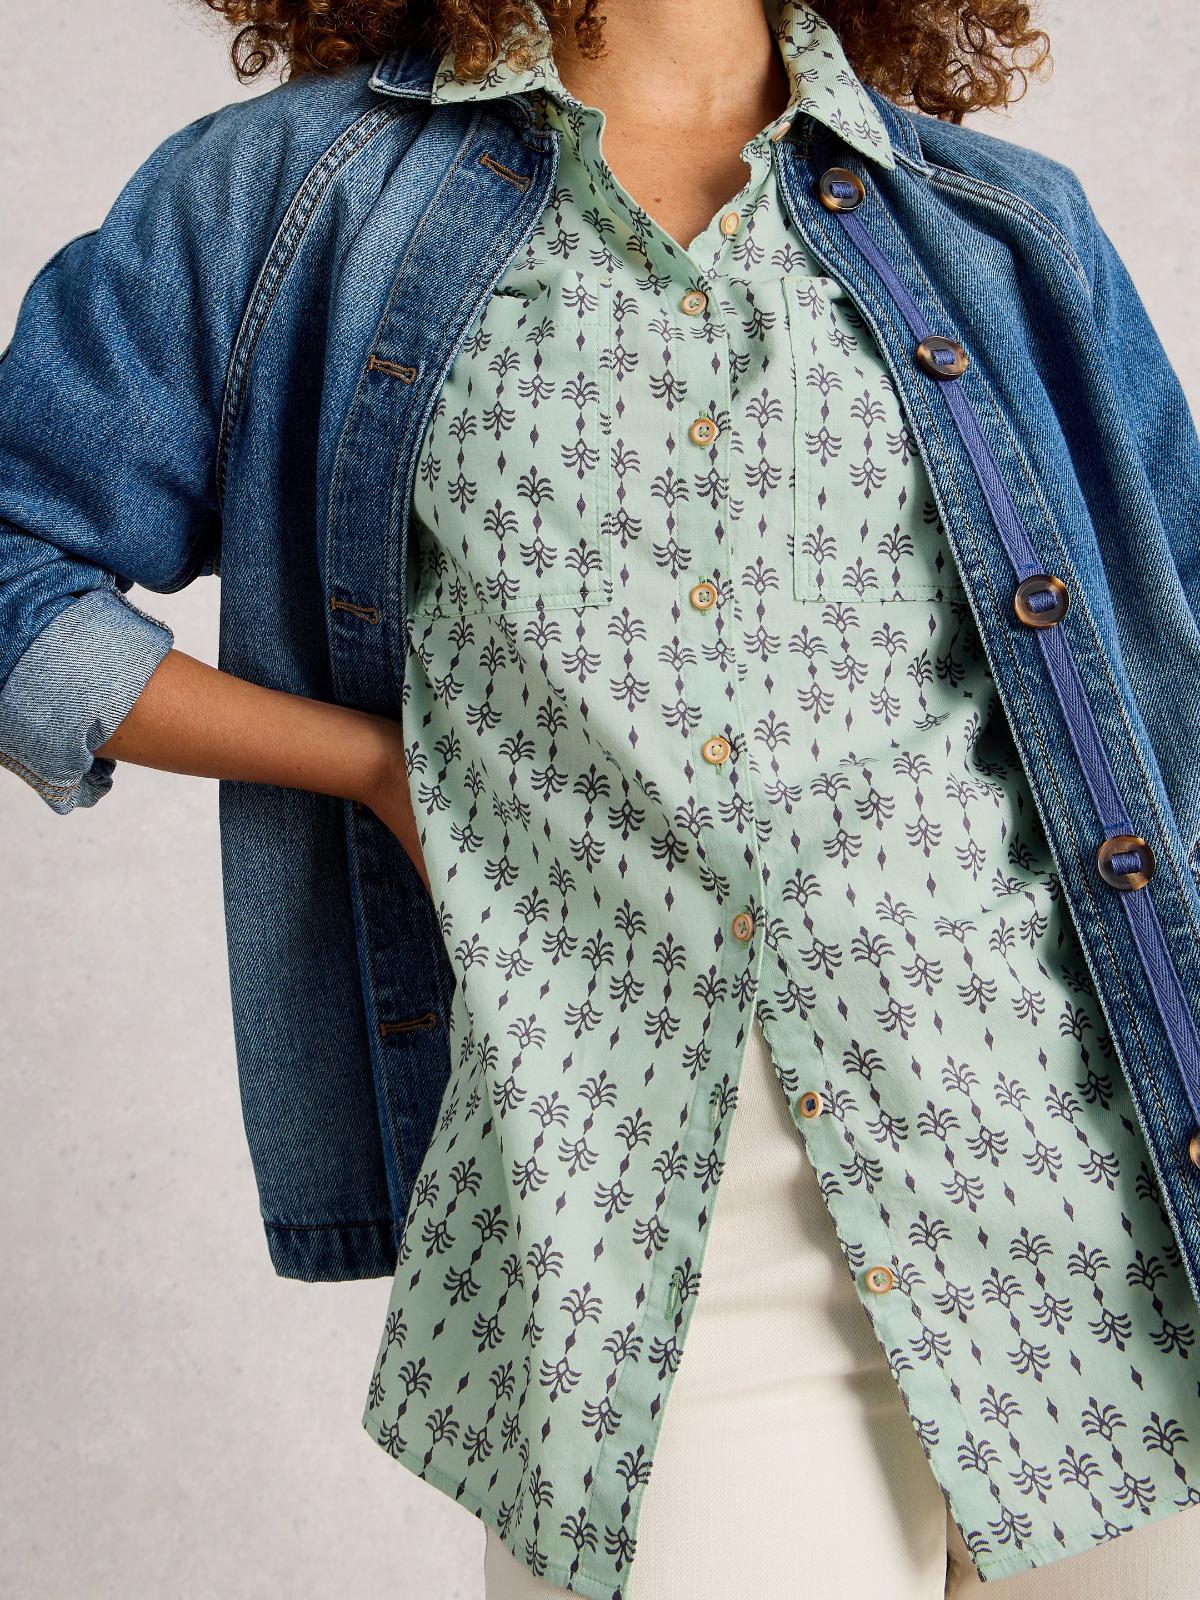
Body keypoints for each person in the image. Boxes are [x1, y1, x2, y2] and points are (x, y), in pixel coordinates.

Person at [3, 2, 1200, 1596]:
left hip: (1098, 1220)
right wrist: (376, 767)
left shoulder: (1003, 222)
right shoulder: (284, 200)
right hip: (639, 1261)